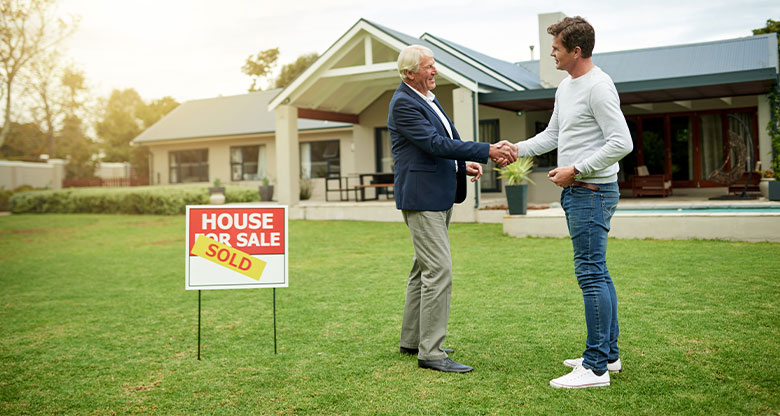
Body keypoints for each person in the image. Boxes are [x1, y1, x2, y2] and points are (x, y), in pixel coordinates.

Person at [506, 16, 633, 388]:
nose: (552, 53)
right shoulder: (567, 86)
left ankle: (594, 369)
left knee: (591, 274)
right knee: (598, 272)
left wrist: (575, 170)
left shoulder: (599, 86)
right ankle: (608, 356)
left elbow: (621, 143)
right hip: (581, 191)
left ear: (576, 51)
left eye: (557, 48)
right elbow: (553, 135)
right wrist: (516, 149)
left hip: (590, 192)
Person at [388, 44, 517, 373]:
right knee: (438, 271)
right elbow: (433, 144)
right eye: (429, 67)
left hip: (438, 195)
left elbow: (444, 142)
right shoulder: (404, 103)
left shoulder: (428, 98)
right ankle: (431, 352)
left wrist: (463, 165)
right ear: (409, 73)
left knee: (422, 270)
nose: (435, 71)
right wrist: (486, 150)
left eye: (434, 65)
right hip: (423, 199)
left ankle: (413, 339)